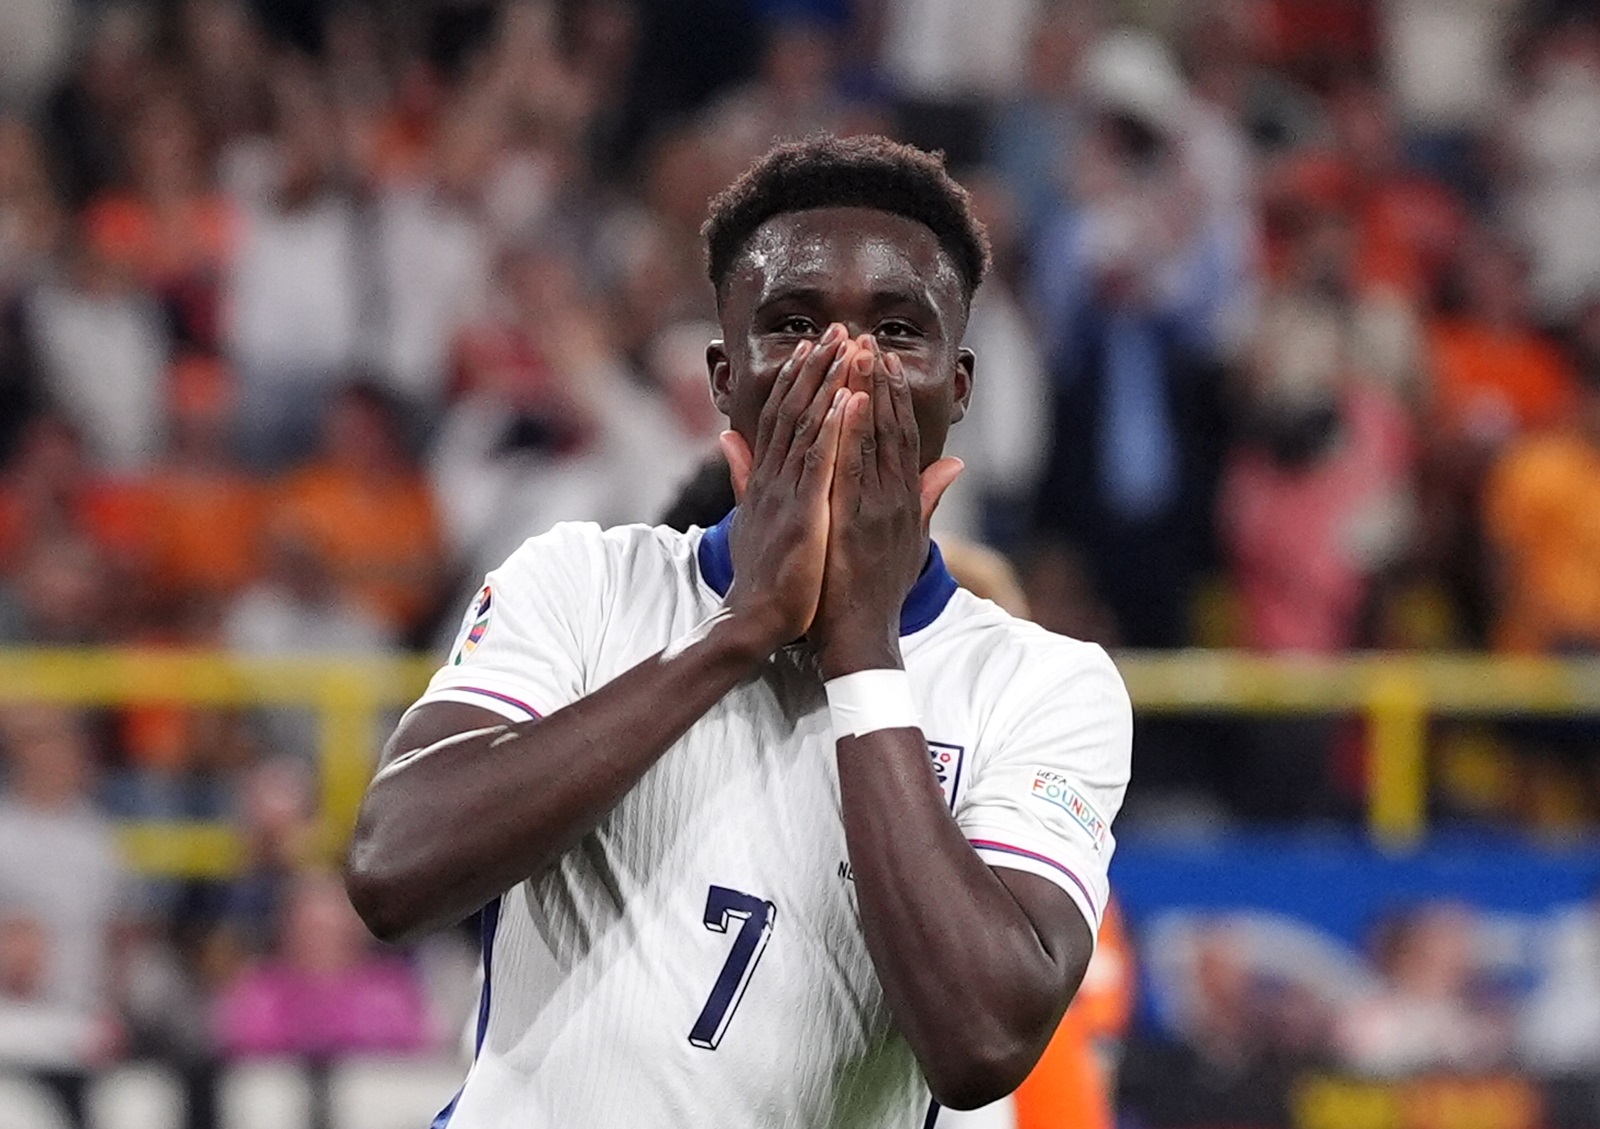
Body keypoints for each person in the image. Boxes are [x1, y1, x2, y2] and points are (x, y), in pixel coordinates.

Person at [344, 134, 1132, 1128]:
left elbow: (979, 1042)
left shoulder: (1044, 684)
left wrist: (861, 650)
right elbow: (391, 873)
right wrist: (738, 630)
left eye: (896, 332)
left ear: (959, 388)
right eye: (794, 324)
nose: (846, 367)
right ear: (724, 376)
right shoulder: (580, 581)